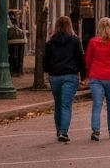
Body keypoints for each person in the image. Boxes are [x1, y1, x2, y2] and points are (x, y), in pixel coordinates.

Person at [43, 15, 85, 143]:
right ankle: (63, 131)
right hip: (70, 75)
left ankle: (59, 130)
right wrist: (83, 75)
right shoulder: (75, 41)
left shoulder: (50, 43)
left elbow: (45, 62)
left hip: (55, 76)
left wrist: (49, 71)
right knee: (66, 105)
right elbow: (80, 59)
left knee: (58, 104)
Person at [84, 17, 110, 141]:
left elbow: (88, 59)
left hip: (96, 76)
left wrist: (88, 72)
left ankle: (95, 130)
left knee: (97, 104)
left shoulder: (93, 42)